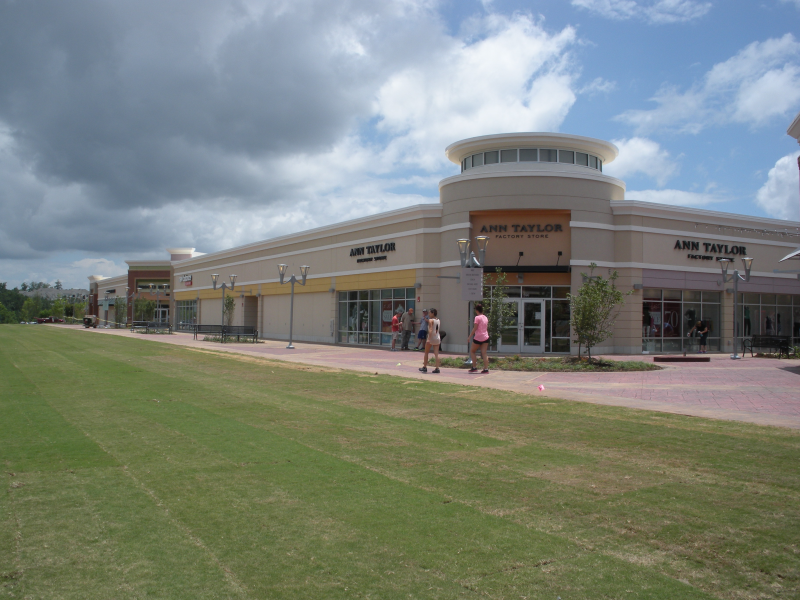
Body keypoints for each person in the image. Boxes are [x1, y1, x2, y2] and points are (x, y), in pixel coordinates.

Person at [467, 303, 490, 374]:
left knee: (472, 351)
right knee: (484, 353)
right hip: (485, 337)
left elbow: (475, 328)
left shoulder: (477, 318)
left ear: (477, 310)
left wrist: (470, 336)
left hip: (478, 337)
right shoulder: (485, 317)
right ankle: (486, 368)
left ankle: (474, 367)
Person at [419, 308, 441, 373]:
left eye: (429, 313)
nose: (429, 314)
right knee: (436, 354)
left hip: (432, 338)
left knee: (426, 352)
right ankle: (437, 368)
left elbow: (431, 329)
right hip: (437, 337)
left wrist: (429, 338)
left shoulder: (430, 320)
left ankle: (424, 367)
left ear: (433, 313)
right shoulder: (438, 320)